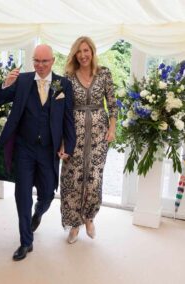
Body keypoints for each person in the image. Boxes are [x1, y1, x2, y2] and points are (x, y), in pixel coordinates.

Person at [0, 44, 76, 261]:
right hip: (24, 148)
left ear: (53, 61)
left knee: (48, 193)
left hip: (48, 149)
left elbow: (68, 119)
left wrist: (68, 144)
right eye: (36, 61)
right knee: (22, 195)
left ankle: (38, 213)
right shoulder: (22, 80)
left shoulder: (62, 84)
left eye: (44, 61)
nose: (40, 65)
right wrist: (6, 84)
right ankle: (25, 242)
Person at [60, 36, 117, 244]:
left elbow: (112, 104)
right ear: (75, 54)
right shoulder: (67, 77)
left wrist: (112, 128)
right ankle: (74, 224)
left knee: (94, 179)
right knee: (72, 180)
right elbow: (63, 111)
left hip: (99, 135)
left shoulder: (104, 74)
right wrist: (63, 140)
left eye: (86, 51)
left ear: (92, 52)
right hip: (74, 135)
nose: (83, 55)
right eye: (79, 51)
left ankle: (89, 218)